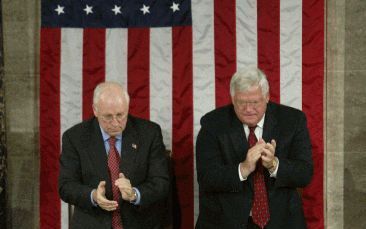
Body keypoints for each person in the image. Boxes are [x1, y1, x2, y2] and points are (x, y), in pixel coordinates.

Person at [195, 67, 313, 229]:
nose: (248, 109)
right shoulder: (213, 124)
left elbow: (304, 174)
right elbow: (206, 178)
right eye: (242, 102)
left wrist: (274, 165)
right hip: (226, 220)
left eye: (255, 102)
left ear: (267, 97)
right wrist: (243, 168)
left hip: (282, 220)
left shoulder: (292, 121)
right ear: (233, 98)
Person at [59, 82, 170, 229]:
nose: (115, 123)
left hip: (140, 222)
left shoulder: (149, 133)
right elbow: (66, 186)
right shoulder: (75, 138)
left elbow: (161, 182)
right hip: (93, 223)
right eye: (108, 117)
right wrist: (93, 196)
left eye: (120, 115)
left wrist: (135, 194)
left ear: (127, 109)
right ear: (95, 110)